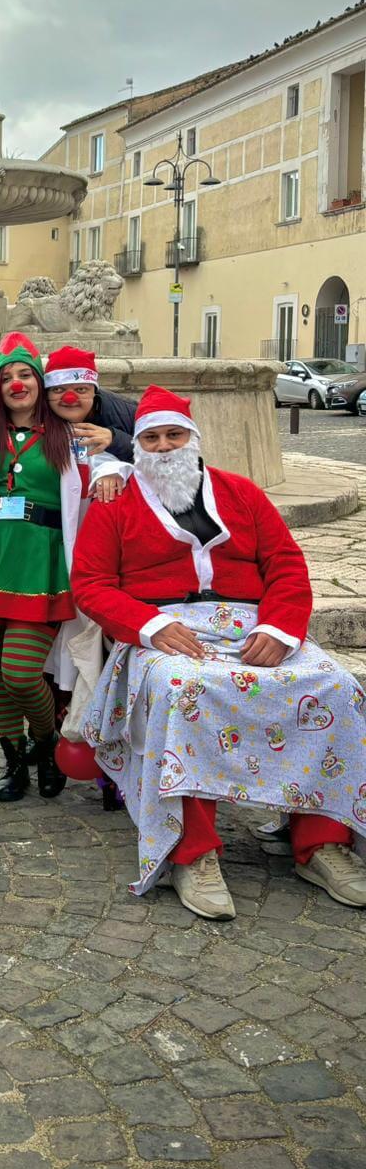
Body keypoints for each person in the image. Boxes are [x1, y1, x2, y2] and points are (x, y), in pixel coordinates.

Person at [72, 385, 366, 918]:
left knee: (337, 686)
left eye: (173, 435)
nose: (163, 447)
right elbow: (90, 583)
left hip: (255, 626)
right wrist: (149, 624)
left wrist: (280, 630)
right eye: (152, 438)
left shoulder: (240, 493)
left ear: (194, 440)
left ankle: (322, 840)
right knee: (185, 691)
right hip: (164, 631)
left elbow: (285, 565)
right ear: (137, 445)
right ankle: (193, 850)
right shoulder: (116, 501)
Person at [0, 334, 121, 803]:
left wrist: (114, 468)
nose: (16, 383)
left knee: (21, 671)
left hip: (43, 563)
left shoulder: (70, 437)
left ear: (39, 380)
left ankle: (46, 743)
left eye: (25, 374)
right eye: (6, 377)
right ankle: (14, 762)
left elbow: (116, 463)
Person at [43, 346, 137, 463]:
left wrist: (116, 439)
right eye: (58, 389)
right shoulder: (35, 414)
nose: (69, 399)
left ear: (94, 391)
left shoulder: (130, 414)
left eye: (81, 389)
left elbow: (157, 458)